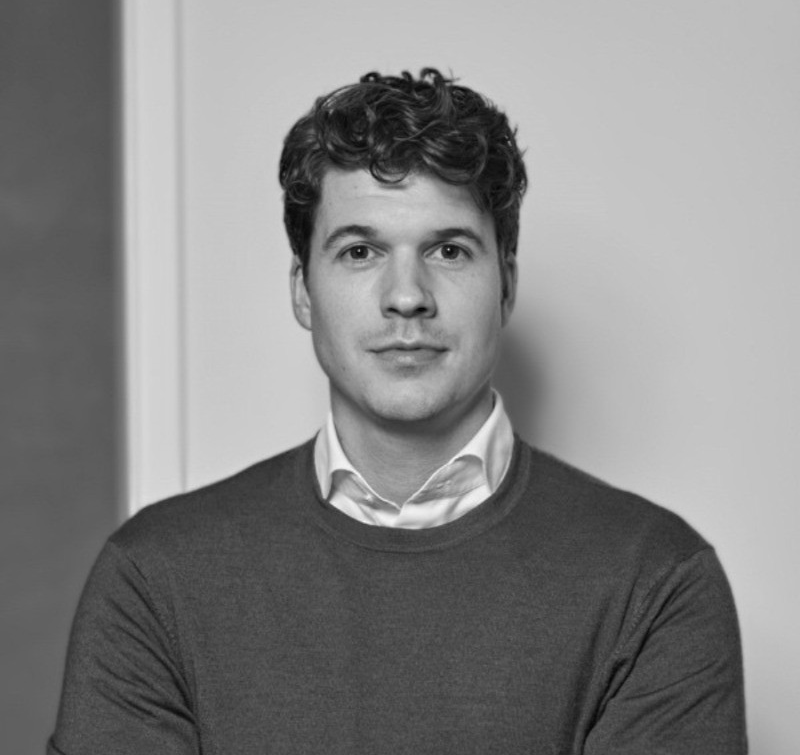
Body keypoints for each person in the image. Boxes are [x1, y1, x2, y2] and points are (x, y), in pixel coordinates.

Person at [48, 69, 747, 754]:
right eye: (360, 251)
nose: (407, 296)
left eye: (449, 250)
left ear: (506, 283)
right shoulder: (156, 579)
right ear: (303, 290)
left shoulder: (655, 581)